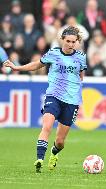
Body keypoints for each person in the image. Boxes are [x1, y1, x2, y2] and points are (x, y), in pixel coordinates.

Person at [4, 26, 87, 173]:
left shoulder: (81, 57)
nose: (70, 44)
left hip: (71, 101)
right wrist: (17, 68)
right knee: (46, 127)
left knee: (60, 142)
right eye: (68, 41)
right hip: (53, 96)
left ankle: (54, 154)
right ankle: (39, 159)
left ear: (77, 42)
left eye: (73, 42)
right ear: (62, 39)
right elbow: (37, 64)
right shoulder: (53, 53)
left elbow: (81, 77)